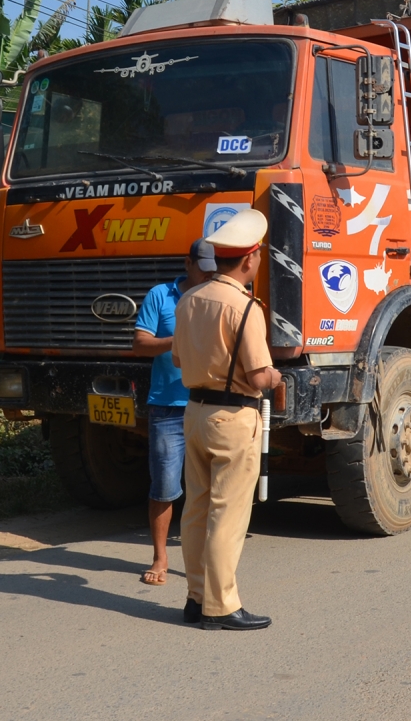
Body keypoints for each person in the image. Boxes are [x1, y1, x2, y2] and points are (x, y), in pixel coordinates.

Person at [171, 208, 280, 632]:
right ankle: (221, 606)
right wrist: (275, 376)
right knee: (228, 515)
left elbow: (179, 358)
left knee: (196, 510)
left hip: (194, 412)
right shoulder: (245, 307)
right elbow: (257, 375)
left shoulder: (188, 300)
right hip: (234, 417)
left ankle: (196, 599)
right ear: (251, 258)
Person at [130, 238, 215, 586]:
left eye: (213, 270)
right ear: (187, 263)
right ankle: (160, 557)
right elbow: (139, 344)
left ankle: (207, 558)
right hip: (167, 408)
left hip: (208, 405)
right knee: (164, 486)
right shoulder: (160, 295)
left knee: (208, 489)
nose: (208, 276)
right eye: (203, 269)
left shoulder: (217, 298)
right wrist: (179, 338)